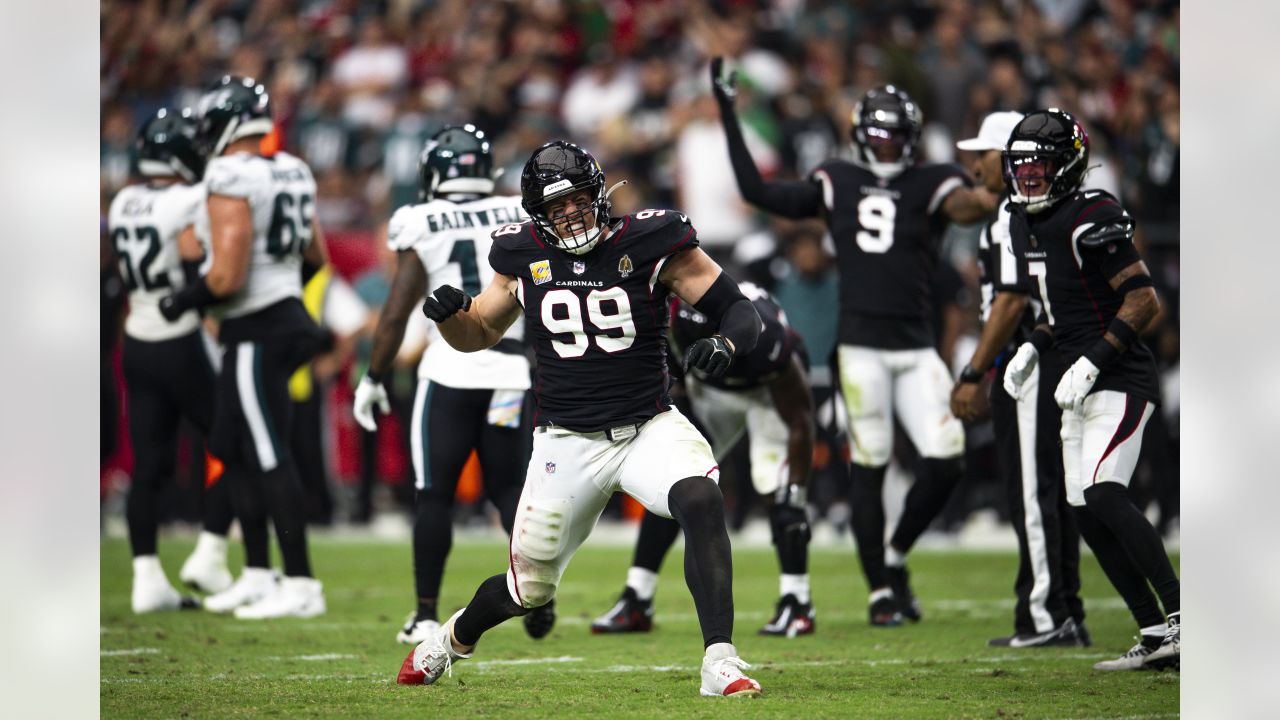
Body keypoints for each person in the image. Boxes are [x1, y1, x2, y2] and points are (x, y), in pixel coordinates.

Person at [397, 140, 764, 698]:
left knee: (701, 499)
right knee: (529, 590)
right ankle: (449, 641)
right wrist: (451, 318)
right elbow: (479, 334)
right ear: (536, 214)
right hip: (564, 441)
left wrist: (728, 344)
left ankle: (720, 659)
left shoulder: (650, 239)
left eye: (576, 199)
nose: (568, 213)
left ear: (598, 193)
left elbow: (737, 308)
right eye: (554, 207)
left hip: (647, 425)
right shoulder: (519, 254)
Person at [712, 58, 997, 626]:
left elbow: (976, 204)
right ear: (860, 136)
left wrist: (997, 172)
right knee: (869, 464)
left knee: (946, 461)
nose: (888, 148)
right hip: (862, 344)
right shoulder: (834, 179)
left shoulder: (935, 180)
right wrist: (727, 111)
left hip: (916, 347)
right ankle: (880, 592)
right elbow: (756, 190)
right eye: (879, 136)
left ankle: (894, 555)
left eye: (897, 138)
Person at [352, 124, 556, 645]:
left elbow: (399, 309)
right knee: (509, 490)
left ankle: (424, 614)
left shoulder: (418, 219)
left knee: (434, 494)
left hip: (448, 368)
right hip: (512, 373)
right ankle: (534, 590)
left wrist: (375, 375)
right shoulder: (516, 210)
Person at [1000, 109, 1179, 670]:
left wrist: (1096, 358)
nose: (1028, 178)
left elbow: (1144, 299)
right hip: (1076, 381)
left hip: (1120, 374)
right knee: (1083, 509)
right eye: (1022, 167)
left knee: (1103, 493)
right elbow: (1065, 309)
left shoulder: (1092, 213)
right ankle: (1153, 632)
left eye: (1040, 166)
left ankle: (1182, 616)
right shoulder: (1021, 221)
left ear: (1069, 166)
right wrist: (1033, 344)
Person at [160, 76, 330, 619]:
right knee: (232, 447)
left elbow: (227, 276)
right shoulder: (294, 168)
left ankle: (301, 583)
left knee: (267, 454)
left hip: (258, 327)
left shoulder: (228, 173)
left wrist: (182, 299)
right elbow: (316, 256)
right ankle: (258, 573)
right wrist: (279, 289)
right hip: (271, 320)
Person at [591, 282, 815, 638]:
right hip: (712, 392)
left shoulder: (767, 339)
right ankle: (638, 596)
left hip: (768, 393)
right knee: (676, 481)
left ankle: (797, 602)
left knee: (777, 487)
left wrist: (798, 489)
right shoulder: (679, 318)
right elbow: (674, 380)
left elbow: (801, 420)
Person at [949, 111, 1089, 647]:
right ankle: (1065, 607)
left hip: (1026, 362)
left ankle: (1047, 615)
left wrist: (974, 370)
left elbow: (1011, 299)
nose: (976, 164)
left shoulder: (1014, 214)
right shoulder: (1030, 211)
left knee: (1033, 494)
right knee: (1052, 494)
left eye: (985, 154)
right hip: (1039, 358)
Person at [108, 107, 235, 613]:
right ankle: (210, 551)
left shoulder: (124, 200)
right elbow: (195, 268)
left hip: (136, 339)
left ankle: (146, 578)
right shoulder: (188, 199)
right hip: (180, 338)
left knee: (149, 465)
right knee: (237, 444)